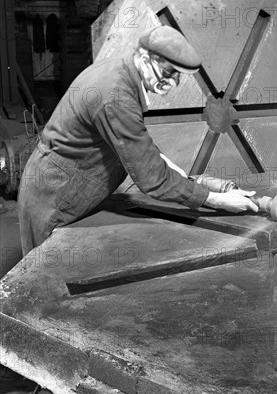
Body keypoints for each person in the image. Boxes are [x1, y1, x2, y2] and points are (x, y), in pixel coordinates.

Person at [18, 25, 258, 256]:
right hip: (55, 195)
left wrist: (190, 181)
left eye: (178, 76)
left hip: (68, 183)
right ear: (145, 59)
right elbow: (152, 179)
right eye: (168, 73)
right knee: (49, 278)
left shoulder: (123, 70)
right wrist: (217, 201)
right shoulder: (115, 96)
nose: (172, 84)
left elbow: (142, 149)